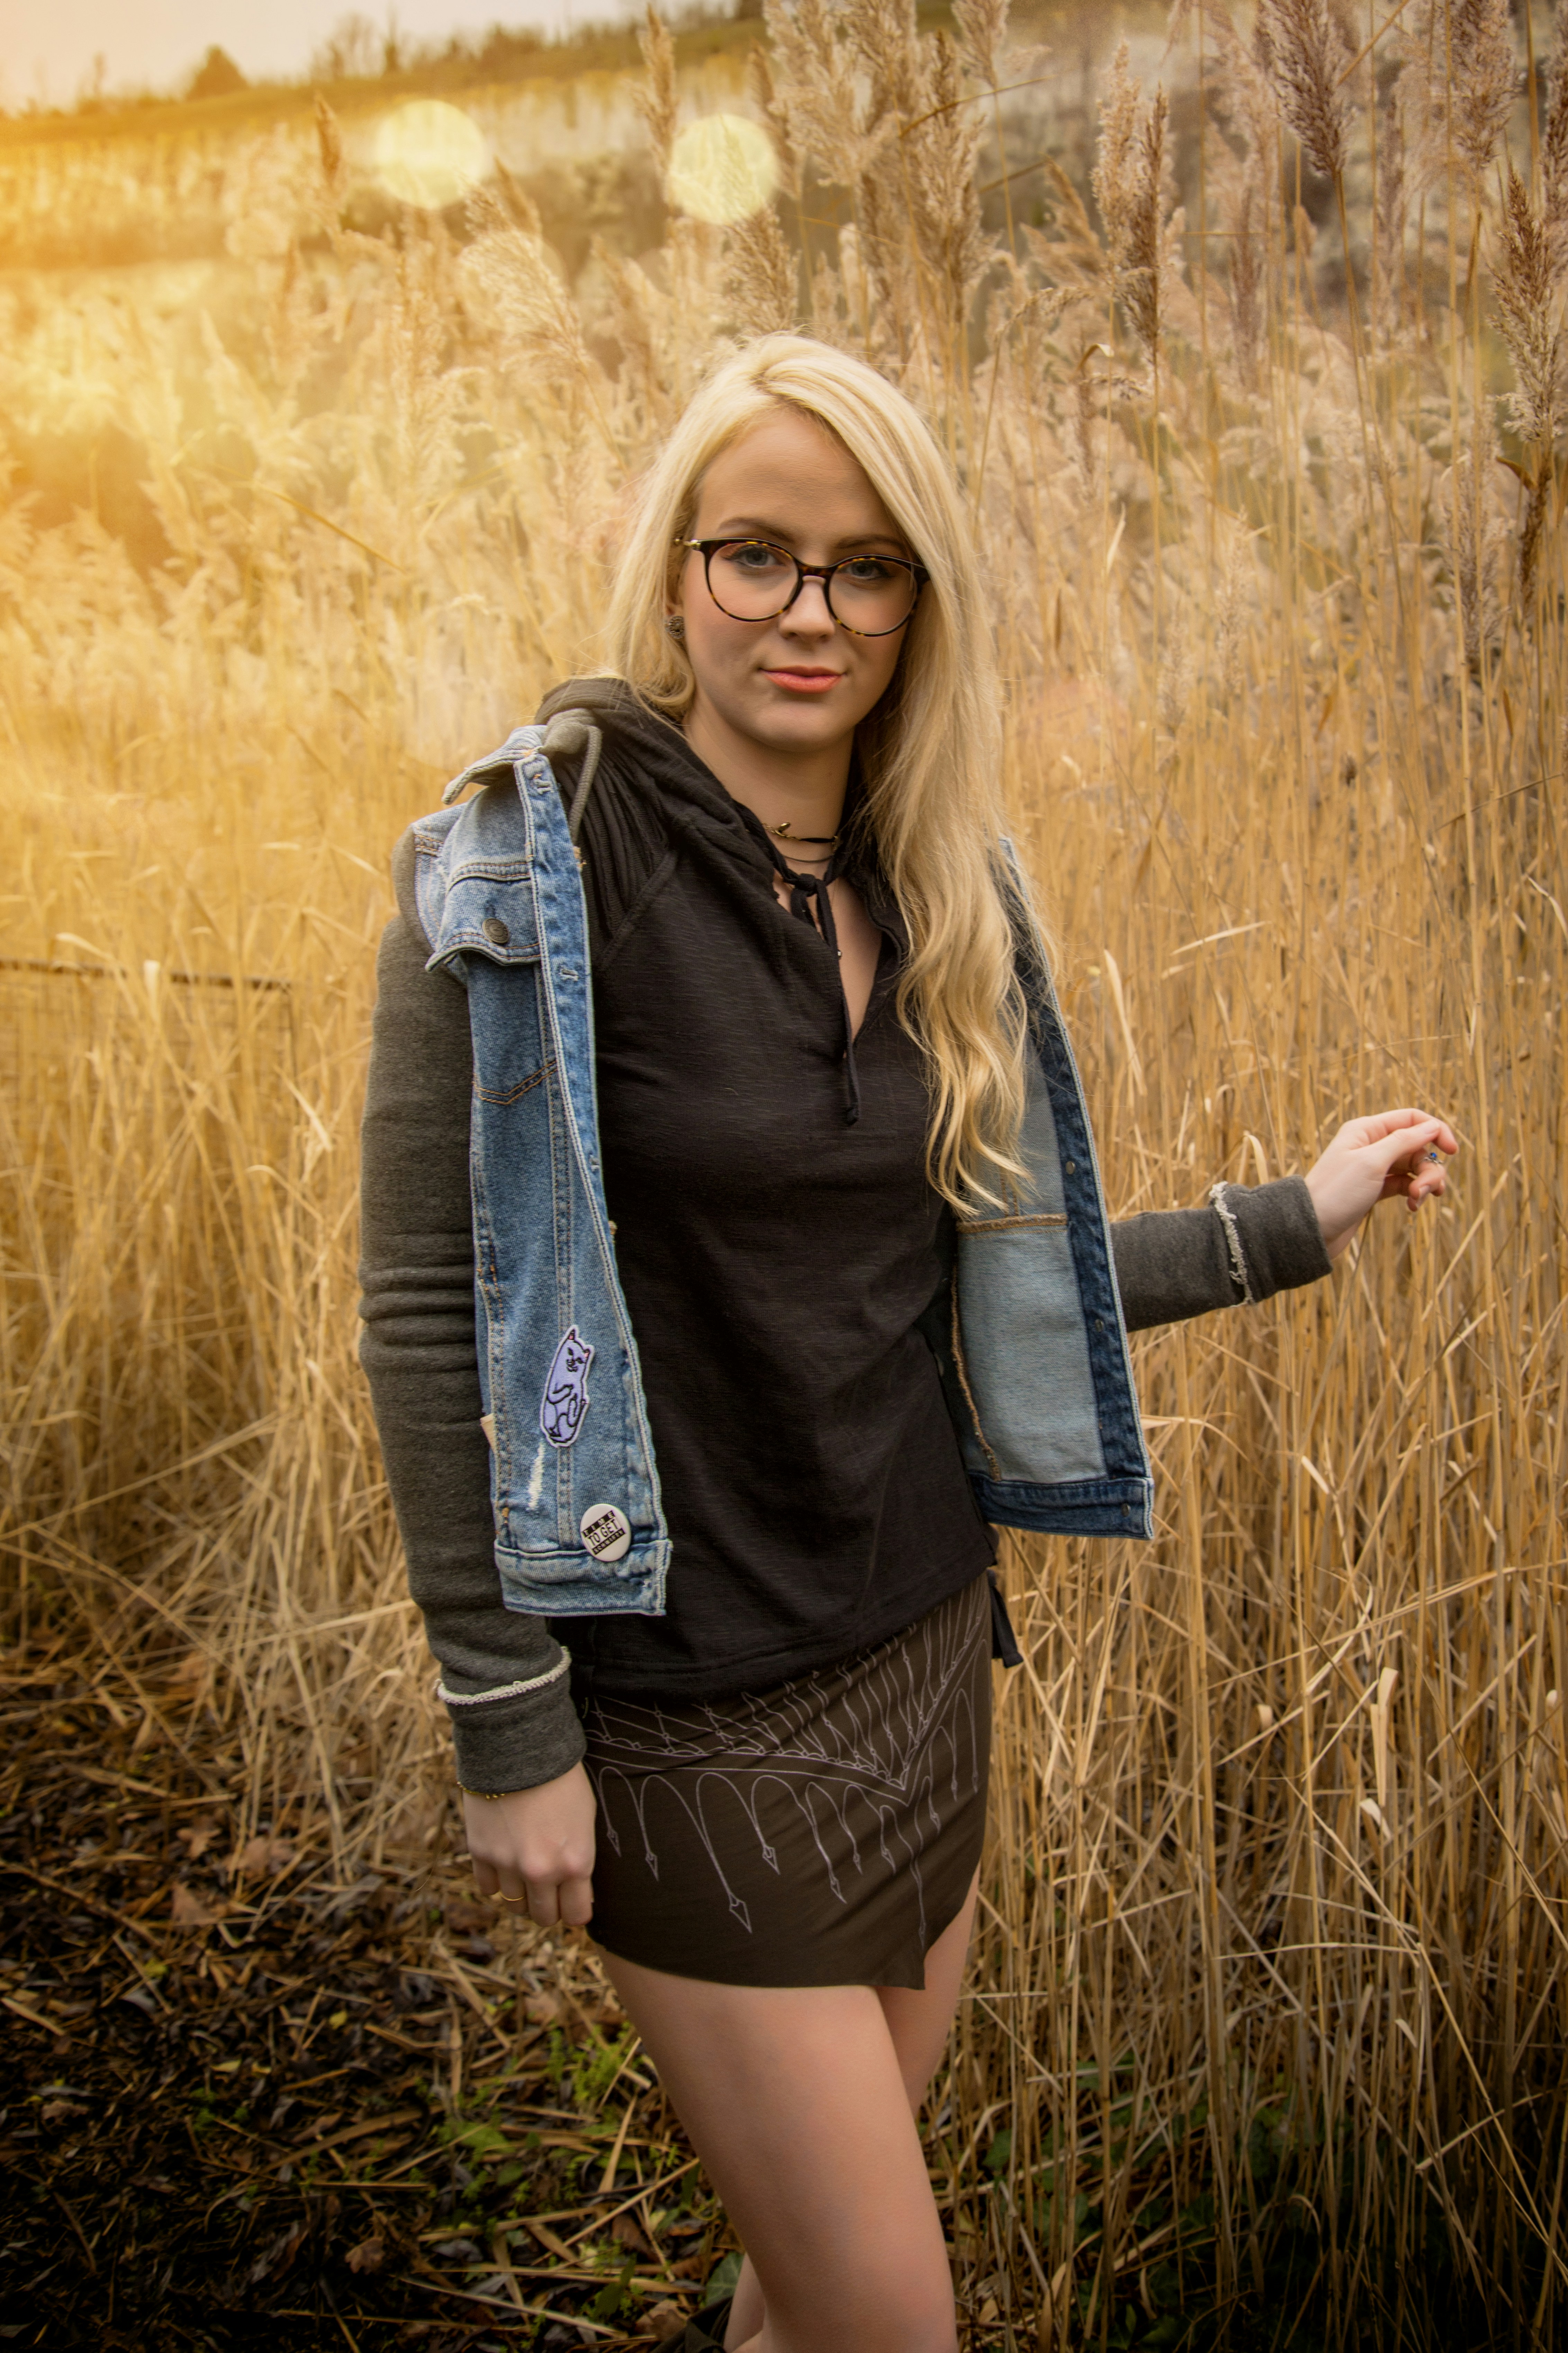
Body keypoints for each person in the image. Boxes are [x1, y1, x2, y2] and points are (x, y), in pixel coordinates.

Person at [358, 334, 1455, 2353]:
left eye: (867, 567)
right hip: (685, 1702)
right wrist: (507, 1724)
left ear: (919, 599)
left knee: (808, 2303)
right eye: (758, 554)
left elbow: (975, 1274)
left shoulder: (943, 881)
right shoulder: (530, 859)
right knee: (888, 2323)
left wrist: (1283, 1225)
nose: (810, 612)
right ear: (677, 565)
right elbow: (434, 1308)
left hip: (923, 1656)